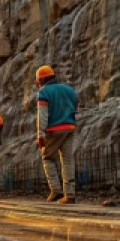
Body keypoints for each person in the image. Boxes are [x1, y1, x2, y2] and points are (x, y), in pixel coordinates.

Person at [35, 65, 78, 204]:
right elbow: (75, 108)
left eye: (37, 81)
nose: (37, 84)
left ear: (41, 80)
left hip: (53, 129)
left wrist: (40, 134)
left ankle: (56, 190)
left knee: (47, 158)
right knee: (68, 160)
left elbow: (42, 115)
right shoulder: (70, 90)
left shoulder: (44, 92)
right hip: (70, 127)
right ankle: (70, 194)